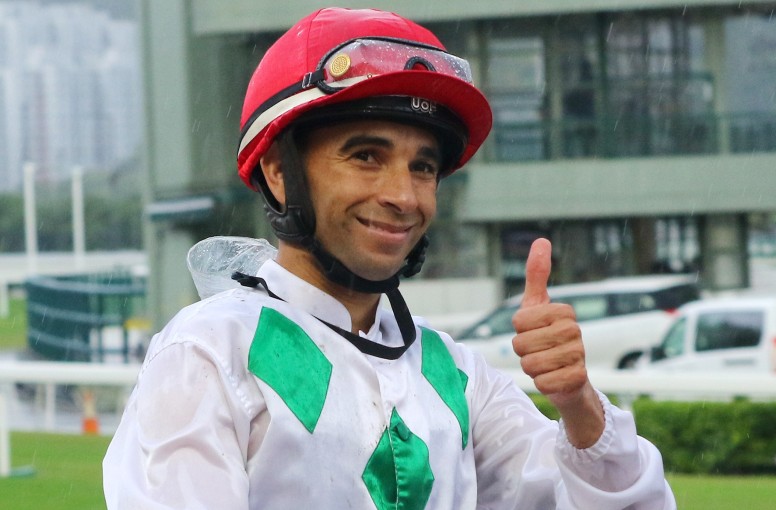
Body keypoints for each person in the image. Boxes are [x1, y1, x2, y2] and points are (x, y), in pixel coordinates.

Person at [103, 7, 676, 509]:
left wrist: (578, 407)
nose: (403, 196)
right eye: (366, 156)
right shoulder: (208, 354)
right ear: (280, 173)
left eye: (422, 166)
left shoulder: (454, 373)